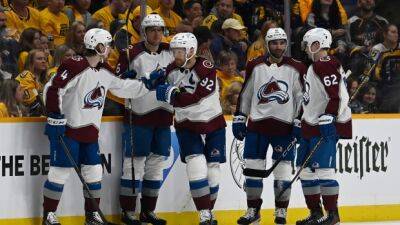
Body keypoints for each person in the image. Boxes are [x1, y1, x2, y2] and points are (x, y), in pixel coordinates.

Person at [41, 28, 163, 225]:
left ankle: (92, 217)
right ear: (98, 46)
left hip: (90, 133)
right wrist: (55, 117)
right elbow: (53, 88)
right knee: (59, 172)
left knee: (94, 172)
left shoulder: (104, 70)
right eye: (107, 46)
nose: (109, 50)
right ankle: (48, 215)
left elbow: (123, 88)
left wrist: (146, 84)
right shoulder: (75, 65)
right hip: (68, 130)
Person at [233, 28, 305, 225]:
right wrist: (240, 117)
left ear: (286, 44)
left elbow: (302, 99)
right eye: (274, 43)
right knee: (252, 171)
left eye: (282, 42)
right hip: (257, 127)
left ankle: (281, 211)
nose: (279, 46)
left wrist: (299, 122)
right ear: (267, 44)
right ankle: (252, 211)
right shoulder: (254, 65)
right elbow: (246, 94)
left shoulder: (297, 67)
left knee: (282, 174)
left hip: (285, 129)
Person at [155, 32, 226, 225]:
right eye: (174, 51)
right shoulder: (170, 70)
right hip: (186, 125)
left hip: (213, 123)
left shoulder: (206, 68)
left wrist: (173, 96)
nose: (176, 55)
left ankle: (208, 211)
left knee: (213, 168)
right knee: (196, 167)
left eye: (180, 50)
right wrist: (151, 81)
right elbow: (159, 89)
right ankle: (204, 213)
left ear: (192, 50)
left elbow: (198, 97)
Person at [115, 14, 174, 225]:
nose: (156, 33)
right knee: (134, 163)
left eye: (160, 29)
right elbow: (117, 84)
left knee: (156, 164)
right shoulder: (131, 53)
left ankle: (148, 211)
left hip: (164, 115)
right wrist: (127, 79)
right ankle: (128, 211)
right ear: (144, 32)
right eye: (152, 29)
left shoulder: (171, 51)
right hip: (139, 115)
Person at [296, 27, 352, 225]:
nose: (305, 49)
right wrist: (300, 119)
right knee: (304, 170)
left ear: (317, 43)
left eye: (307, 45)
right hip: (311, 124)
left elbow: (335, 95)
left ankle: (333, 214)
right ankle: (316, 213)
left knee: (324, 170)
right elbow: (311, 98)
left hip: (324, 124)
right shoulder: (315, 66)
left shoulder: (326, 63)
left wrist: (330, 116)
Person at [15, 49, 48, 116]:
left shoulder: (45, 80)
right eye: (39, 59)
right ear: (31, 62)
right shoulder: (26, 76)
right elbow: (33, 105)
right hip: (29, 117)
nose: (43, 61)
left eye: (45, 59)